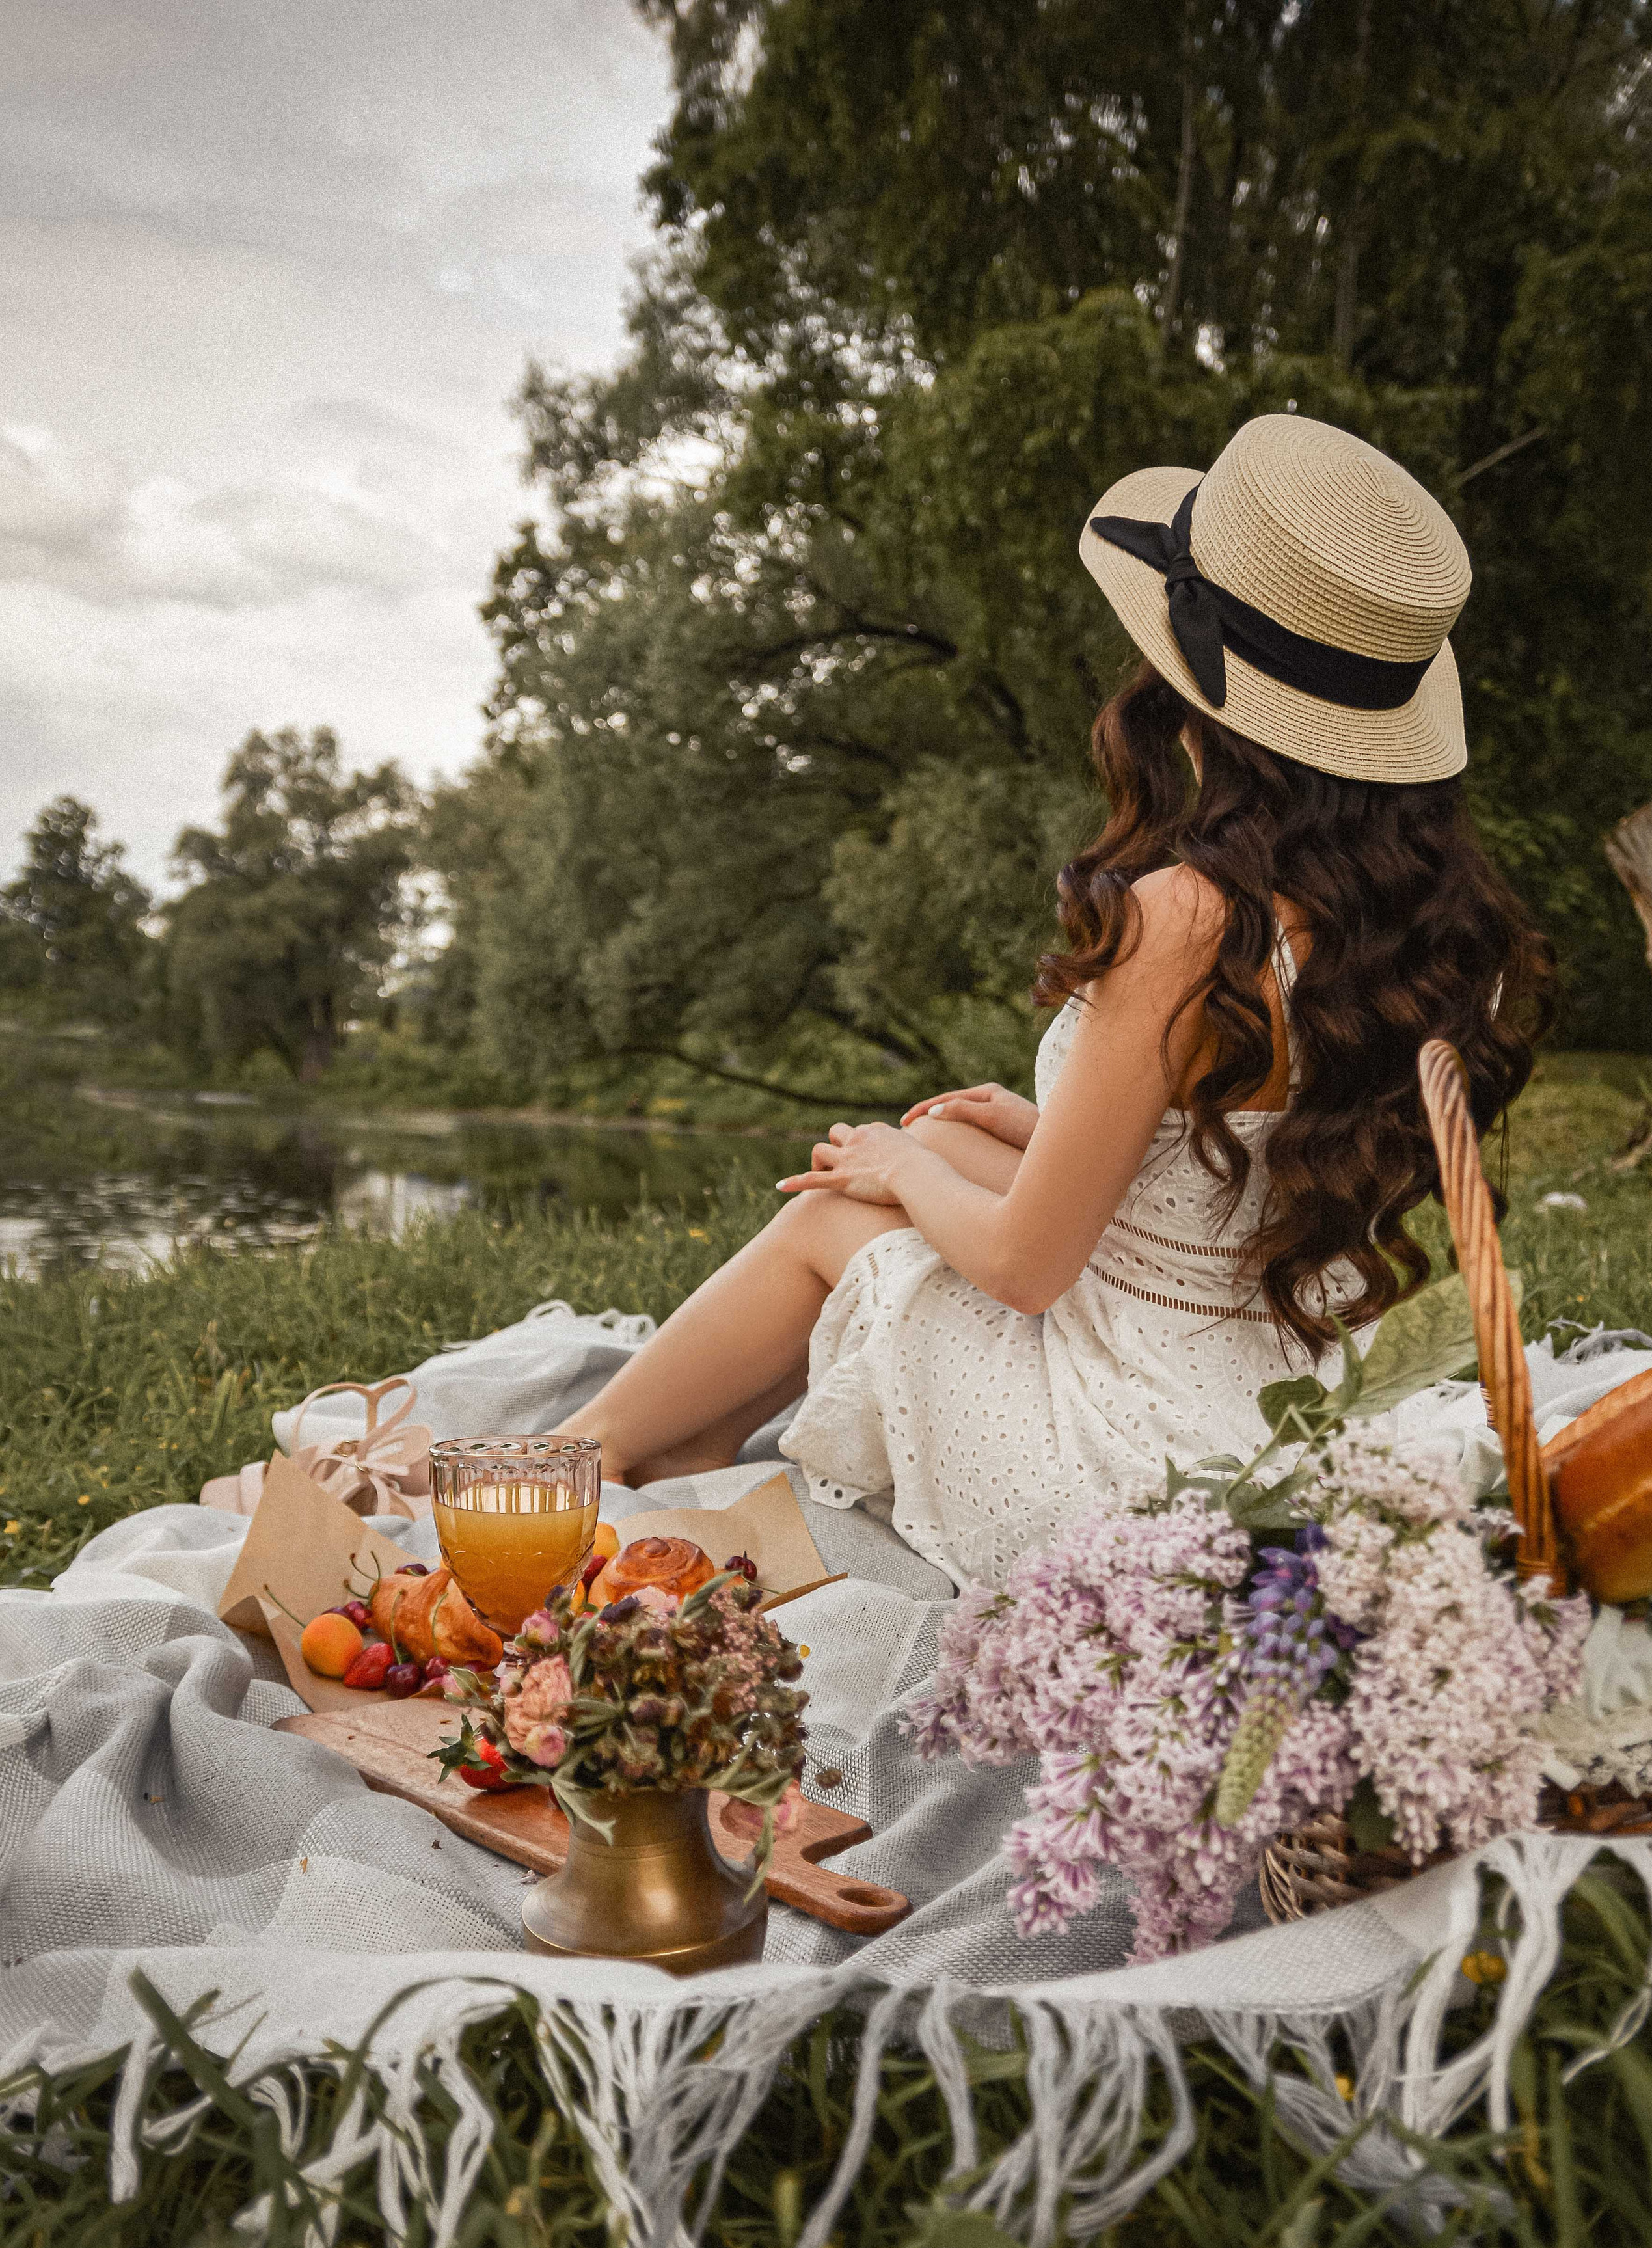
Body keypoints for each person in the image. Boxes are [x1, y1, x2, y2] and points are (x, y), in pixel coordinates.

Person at [563, 414, 1554, 1586]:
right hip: (1272, 1407)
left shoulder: (1194, 918)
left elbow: (1030, 1268)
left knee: (845, 1210)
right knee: (947, 1135)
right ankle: (684, 1451)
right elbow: (1244, 1180)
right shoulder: (1449, 934)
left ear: (1198, 698)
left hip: (1132, 1469)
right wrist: (1029, 1132)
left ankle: (579, 1461)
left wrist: (897, 1167)